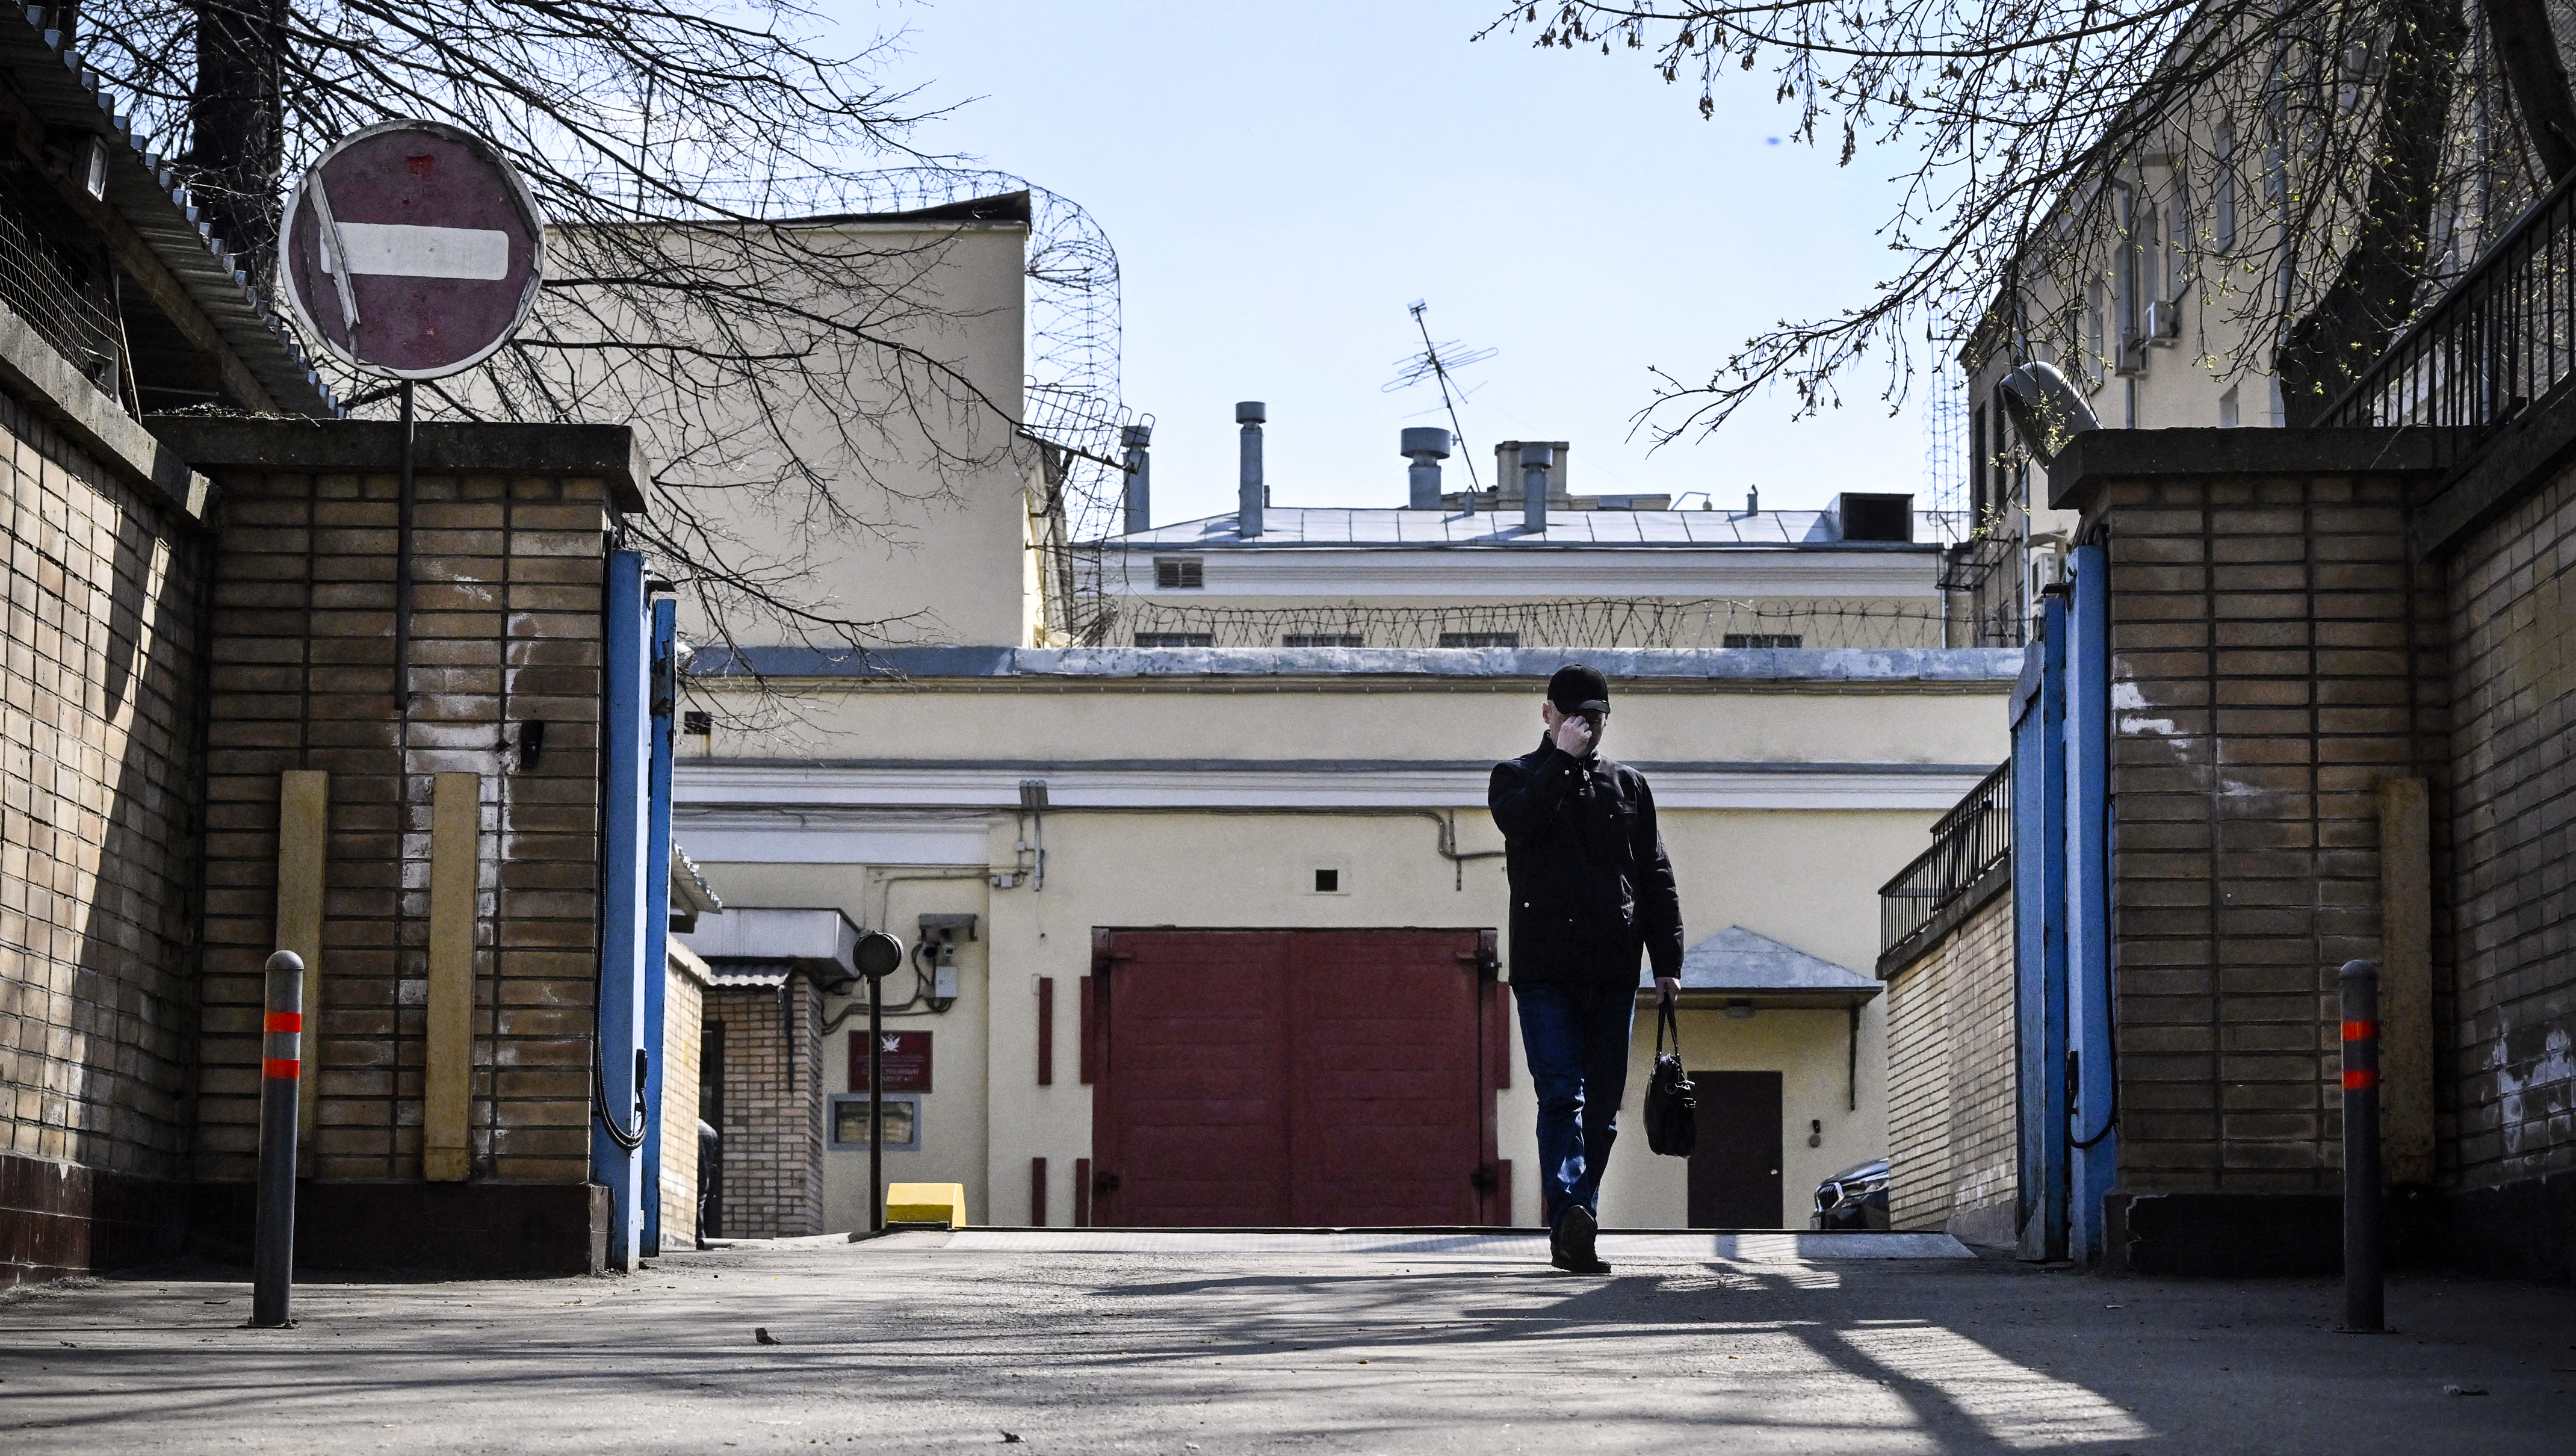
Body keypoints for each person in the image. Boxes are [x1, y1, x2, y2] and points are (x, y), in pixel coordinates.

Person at [1488, 663, 1683, 1274]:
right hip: (1544, 972)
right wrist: (1561, 760)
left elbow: (1653, 875)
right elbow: (1520, 822)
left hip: (1612, 970)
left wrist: (1666, 961)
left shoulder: (1628, 786)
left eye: (1594, 718)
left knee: (1601, 1110)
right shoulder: (1515, 777)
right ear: (1547, 714)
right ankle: (1573, 1212)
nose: (1584, 728)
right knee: (1560, 1098)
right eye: (1573, 717)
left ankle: (1576, 1221)